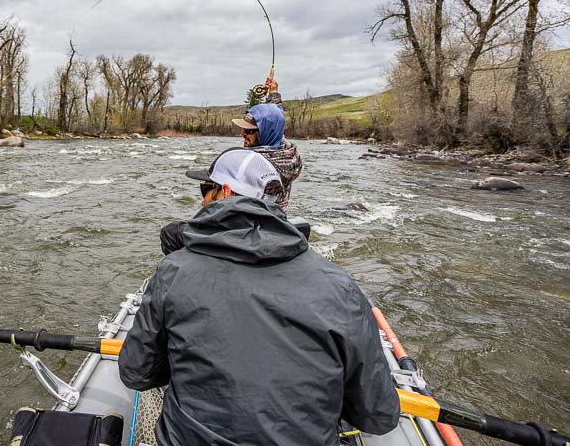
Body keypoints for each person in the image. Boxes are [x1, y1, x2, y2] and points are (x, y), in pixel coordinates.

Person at [118, 148, 400, 446]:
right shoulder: (339, 286)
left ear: (225, 191)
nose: (201, 200)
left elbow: (136, 374)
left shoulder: (173, 271)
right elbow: (378, 416)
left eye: (206, 189)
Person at [232, 77, 302, 212]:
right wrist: (273, 93)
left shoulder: (256, 163)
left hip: (255, 227)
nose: (242, 134)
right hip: (279, 224)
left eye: (249, 130)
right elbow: (276, 119)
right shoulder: (287, 151)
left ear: (265, 133)